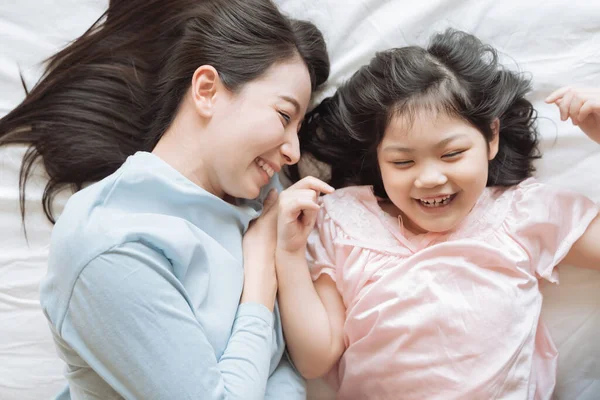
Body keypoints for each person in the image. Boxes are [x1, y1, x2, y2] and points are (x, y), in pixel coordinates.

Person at [0, 0, 331, 399]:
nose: (294, 152)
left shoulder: (260, 198)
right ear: (207, 90)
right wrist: (259, 282)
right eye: (283, 116)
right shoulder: (110, 245)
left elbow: (293, 359)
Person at [273, 29, 600, 399]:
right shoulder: (345, 220)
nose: (430, 178)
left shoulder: (521, 212)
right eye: (402, 161)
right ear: (377, 160)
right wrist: (288, 254)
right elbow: (315, 360)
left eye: (452, 154)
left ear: (491, 137)